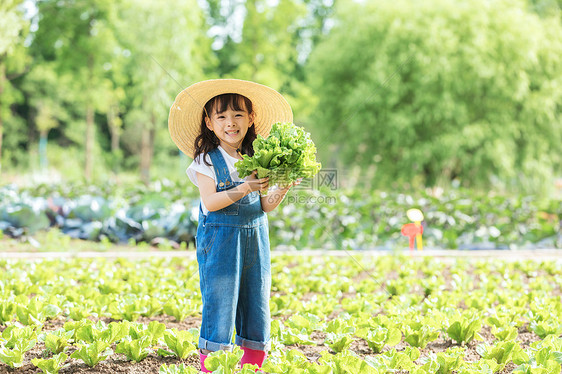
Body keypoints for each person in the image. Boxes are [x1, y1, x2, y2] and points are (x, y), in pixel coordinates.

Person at [168, 79, 298, 372]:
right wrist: (246, 186)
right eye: (222, 116)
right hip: (221, 242)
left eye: (238, 115)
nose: (231, 123)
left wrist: (284, 185)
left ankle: (252, 364)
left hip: (256, 241)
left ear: (251, 118)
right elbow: (211, 202)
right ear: (209, 123)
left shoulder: (255, 157)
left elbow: (265, 205)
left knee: (256, 301)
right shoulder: (207, 160)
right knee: (221, 302)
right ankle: (212, 365)